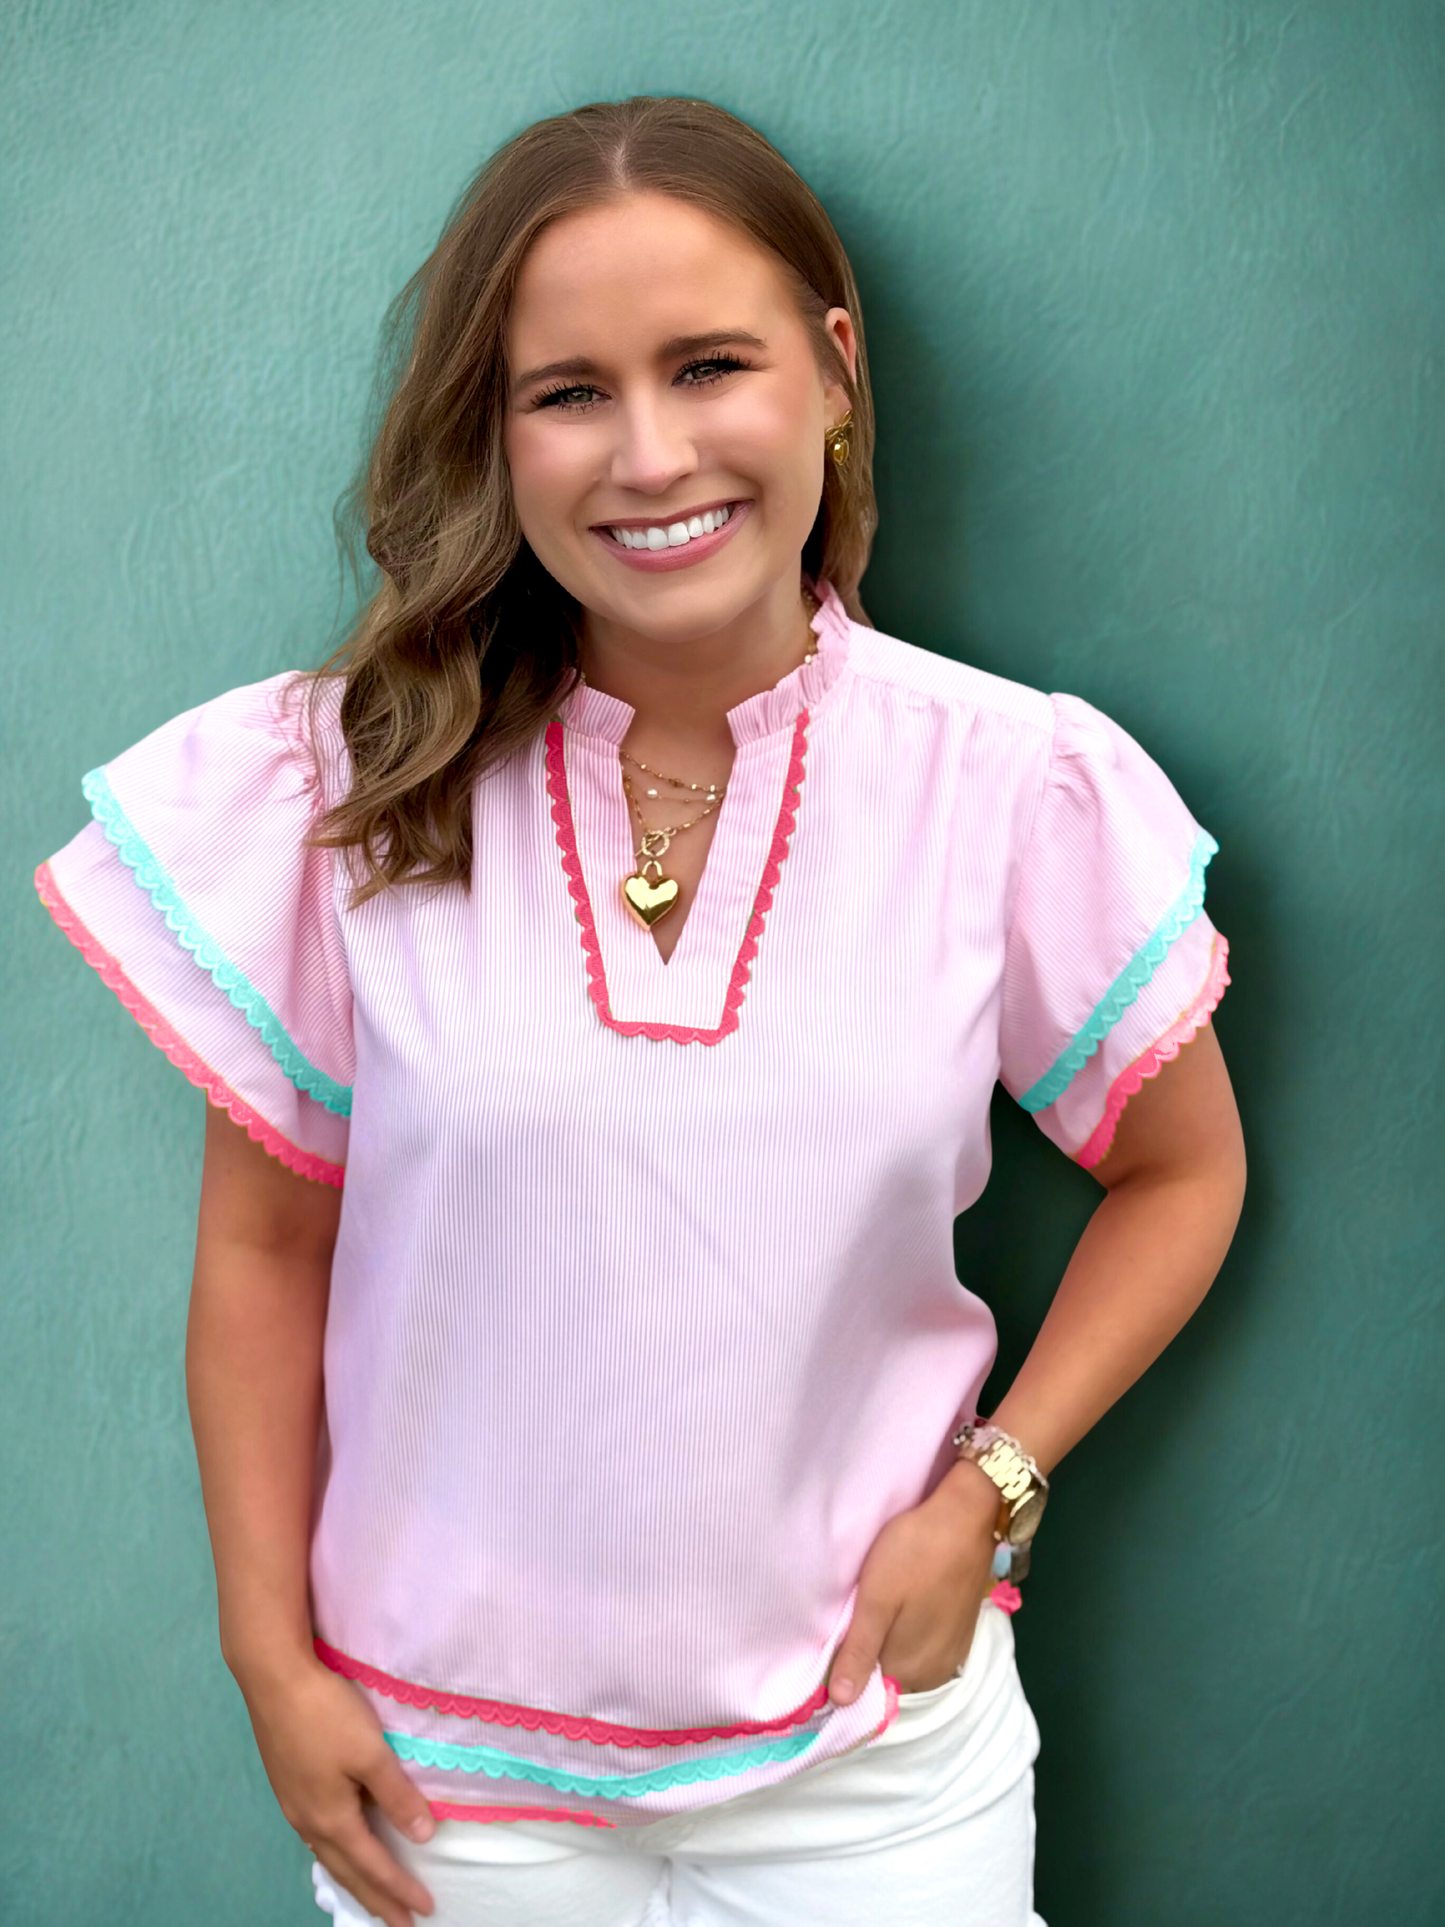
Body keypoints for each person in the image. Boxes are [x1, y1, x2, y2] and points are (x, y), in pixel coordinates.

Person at [35, 95, 1246, 1927]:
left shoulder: (1009, 785)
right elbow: (266, 1253)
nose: (651, 452)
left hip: (872, 1756)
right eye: (569, 392)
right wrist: (266, 1664)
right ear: (496, 433)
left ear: (832, 371)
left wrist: (987, 1489)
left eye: (709, 365)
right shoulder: (347, 790)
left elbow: (1183, 1171)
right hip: (445, 1787)